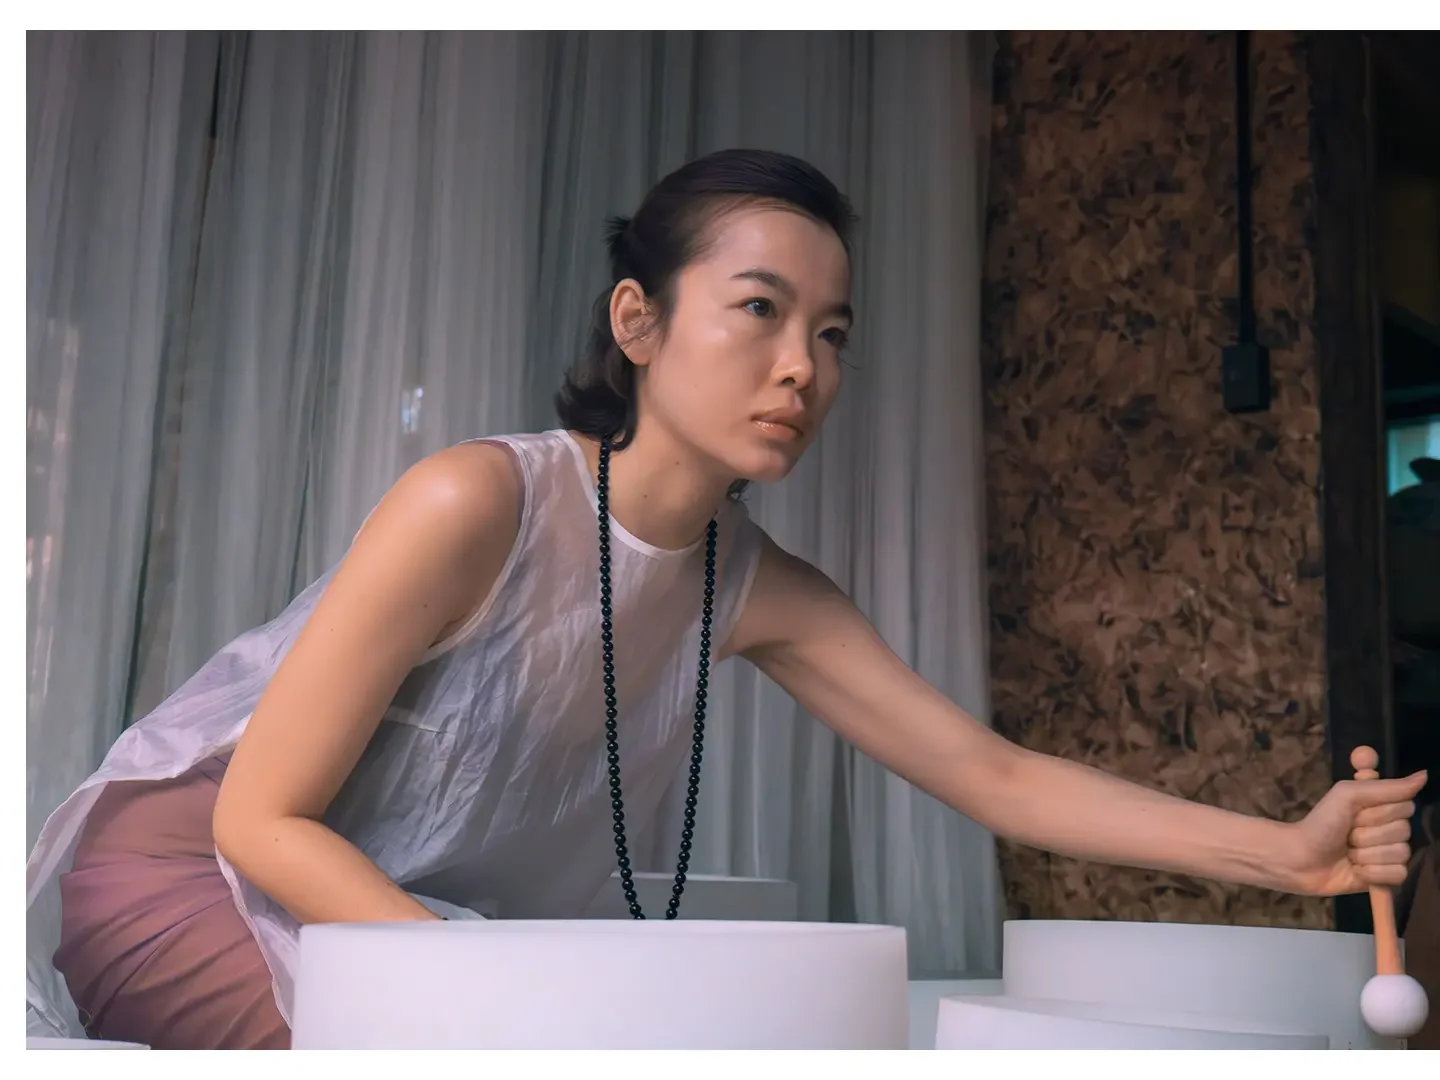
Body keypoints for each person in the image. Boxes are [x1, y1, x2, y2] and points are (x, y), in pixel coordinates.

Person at [25, 148, 1428, 1050]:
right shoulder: (476, 503)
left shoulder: (756, 589)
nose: (802, 366)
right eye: (757, 310)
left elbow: (991, 775)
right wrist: (498, 994)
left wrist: (1285, 857)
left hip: (392, 928)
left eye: (831, 333)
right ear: (639, 324)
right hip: (185, 884)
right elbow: (255, 819)